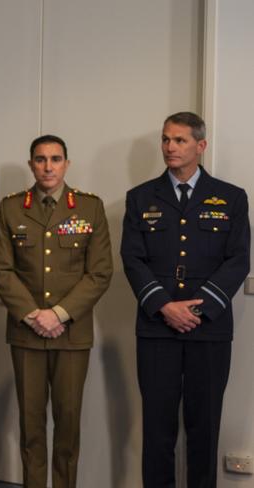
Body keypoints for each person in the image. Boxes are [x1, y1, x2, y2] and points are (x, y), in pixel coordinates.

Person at [120, 112, 250, 488]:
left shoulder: (231, 197)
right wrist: (164, 305)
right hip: (156, 327)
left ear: (201, 145)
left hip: (208, 329)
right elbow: (132, 258)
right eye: (165, 139)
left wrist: (200, 308)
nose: (170, 147)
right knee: (157, 429)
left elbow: (238, 258)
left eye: (179, 140)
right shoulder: (140, 197)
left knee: (204, 427)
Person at [0, 135, 113, 488]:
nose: (48, 166)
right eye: (40, 159)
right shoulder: (13, 207)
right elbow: (1, 269)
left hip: (71, 334)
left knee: (68, 425)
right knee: (30, 426)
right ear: (31, 164)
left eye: (55, 159)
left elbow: (100, 272)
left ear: (67, 164)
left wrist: (58, 313)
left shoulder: (89, 207)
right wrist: (33, 314)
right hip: (27, 333)